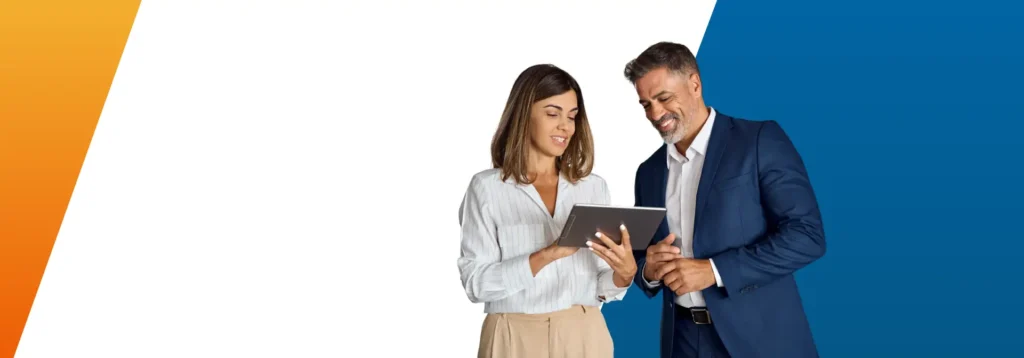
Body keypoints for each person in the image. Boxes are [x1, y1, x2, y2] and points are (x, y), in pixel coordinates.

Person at [623, 42, 827, 358]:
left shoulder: (758, 141)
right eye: (645, 104)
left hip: (761, 340)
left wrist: (715, 270)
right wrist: (648, 271)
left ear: (694, 84)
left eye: (664, 98)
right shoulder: (648, 172)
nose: (655, 113)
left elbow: (807, 236)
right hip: (683, 341)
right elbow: (640, 259)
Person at [457, 64, 637, 358]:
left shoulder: (592, 188)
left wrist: (624, 275)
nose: (565, 126)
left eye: (572, 116)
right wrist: (547, 254)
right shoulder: (487, 188)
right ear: (523, 115)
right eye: (553, 113)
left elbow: (600, 284)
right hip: (513, 334)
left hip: (584, 333)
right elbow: (477, 285)